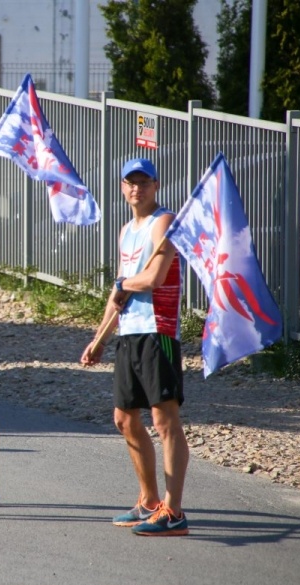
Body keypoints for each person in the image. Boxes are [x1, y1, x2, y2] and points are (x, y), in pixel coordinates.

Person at [80, 158, 190, 536]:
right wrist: (99, 338)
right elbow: (119, 291)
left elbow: (153, 279)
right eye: (130, 182)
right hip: (129, 332)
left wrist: (124, 285)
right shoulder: (127, 230)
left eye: (143, 182)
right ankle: (149, 500)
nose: (136, 188)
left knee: (164, 419)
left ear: (156, 185)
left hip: (158, 331)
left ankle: (173, 511)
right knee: (124, 418)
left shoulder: (165, 221)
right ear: (122, 187)